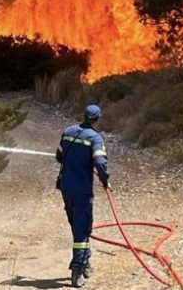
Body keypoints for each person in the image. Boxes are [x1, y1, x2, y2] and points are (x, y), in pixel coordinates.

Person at [56, 104, 109, 288]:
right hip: (82, 191)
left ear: (84, 116)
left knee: (77, 226)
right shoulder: (95, 138)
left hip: (65, 188)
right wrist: (105, 180)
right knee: (83, 228)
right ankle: (77, 271)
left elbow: (59, 157)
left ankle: (85, 261)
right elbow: (101, 163)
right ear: (97, 119)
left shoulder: (68, 131)